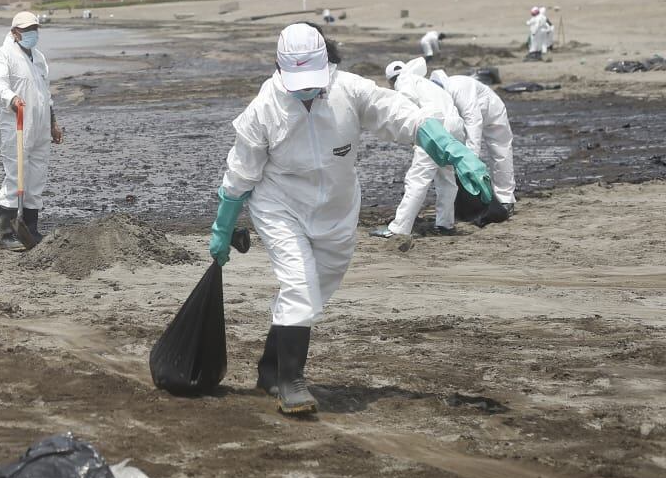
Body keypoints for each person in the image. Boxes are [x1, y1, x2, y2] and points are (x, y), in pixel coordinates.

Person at [208, 24, 491, 415]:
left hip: (337, 210)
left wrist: (454, 151)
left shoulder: (350, 90)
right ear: (279, 68)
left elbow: (404, 116)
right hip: (280, 207)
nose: (307, 90)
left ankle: (270, 369)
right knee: (299, 285)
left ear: (328, 64)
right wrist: (223, 228)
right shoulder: (264, 110)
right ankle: (291, 382)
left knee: (316, 289)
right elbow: (240, 174)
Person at [0, 11, 64, 249]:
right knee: (16, 175)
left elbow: (46, 94)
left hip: (40, 125)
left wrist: (53, 122)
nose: (32, 34)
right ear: (15, 32)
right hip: (17, 124)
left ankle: (31, 229)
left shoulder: (39, 58)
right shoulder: (4, 55)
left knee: (36, 177)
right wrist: (11, 99)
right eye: (26, 30)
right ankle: (6, 234)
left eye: (34, 29)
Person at [371, 57, 466, 238]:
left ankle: (399, 229)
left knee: (417, 179)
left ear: (392, 80)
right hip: (454, 127)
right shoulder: (426, 83)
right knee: (446, 178)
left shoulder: (403, 80)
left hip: (435, 126)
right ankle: (445, 224)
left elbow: (405, 102)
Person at [430, 69, 516, 216]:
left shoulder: (459, 87)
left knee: (500, 152)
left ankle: (505, 198)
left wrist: (471, 160)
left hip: (492, 111)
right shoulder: (438, 97)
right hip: (465, 118)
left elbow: (473, 121)